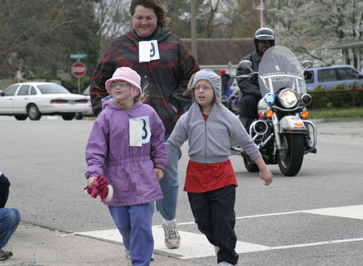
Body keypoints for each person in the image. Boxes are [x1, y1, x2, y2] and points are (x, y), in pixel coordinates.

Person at [88, 0, 199, 249]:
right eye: (139, 17)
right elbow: (97, 85)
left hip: (163, 126)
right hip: (124, 131)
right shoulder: (118, 47)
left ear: (158, 18)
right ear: (132, 18)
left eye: (148, 17)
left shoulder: (174, 45)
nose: (144, 22)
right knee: (136, 180)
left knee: (166, 176)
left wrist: (173, 108)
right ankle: (140, 239)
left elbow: (192, 79)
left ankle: (169, 222)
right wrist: (106, 115)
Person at [165, 69, 273, 266]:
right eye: (197, 87)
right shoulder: (187, 118)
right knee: (204, 223)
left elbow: (247, 143)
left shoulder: (227, 117)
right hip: (196, 174)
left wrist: (263, 168)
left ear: (215, 91)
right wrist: (157, 166)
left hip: (222, 174)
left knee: (223, 221)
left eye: (206, 87)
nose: (200, 91)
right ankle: (223, 245)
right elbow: (171, 144)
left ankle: (227, 258)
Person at [85, 67, 169, 265]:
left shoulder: (147, 113)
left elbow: (158, 141)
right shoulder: (105, 117)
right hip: (115, 179)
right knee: (124, 226)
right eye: (114, 83)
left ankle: (140, 261)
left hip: (143, 176)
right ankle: (133, 248)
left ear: (135, 89)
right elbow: (95, 149)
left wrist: (159, 165)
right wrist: (94, 173)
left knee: (141, 224)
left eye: (122, 83)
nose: (117, 87)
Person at [236, 27, 275, 130]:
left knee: (294, 104)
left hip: (276, 94)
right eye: (261, 41)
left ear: (272, 43)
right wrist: (261, 92)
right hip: (256, 95)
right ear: (256, 43)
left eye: (268, 41)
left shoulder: (280, 59)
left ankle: (304, 137)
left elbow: (291, 71)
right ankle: (244, 133)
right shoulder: (248, 60)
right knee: (248, 101)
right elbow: (243, 81)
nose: (265, 44)